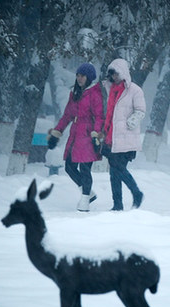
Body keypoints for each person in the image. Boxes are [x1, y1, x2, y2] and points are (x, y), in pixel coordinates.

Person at [48, 62, 104, 212]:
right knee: (69, 166)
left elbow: (99, 117)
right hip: (75, 134)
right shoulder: (74, 94)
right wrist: (56, 133)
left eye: (82, 76)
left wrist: (96, 135)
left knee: (85, 168)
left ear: (89, 77)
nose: (79, 78)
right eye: (78, 75)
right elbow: (67, 115)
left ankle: (85, 199)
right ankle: (89, 192)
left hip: (88, 134)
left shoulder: (95, 94)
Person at [94, 58, 145, 211]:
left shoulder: (134, 90)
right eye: (111, 74)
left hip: (126, 137)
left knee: (118, 169)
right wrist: (104, 130)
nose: (114, 77)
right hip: (112, 138)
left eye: (116, 74)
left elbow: (140, 110)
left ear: (122, 73)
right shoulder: (111, 90)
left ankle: (136, 193)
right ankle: (117, 204)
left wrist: (130, 123)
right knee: (114, 172)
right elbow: (110, 114)